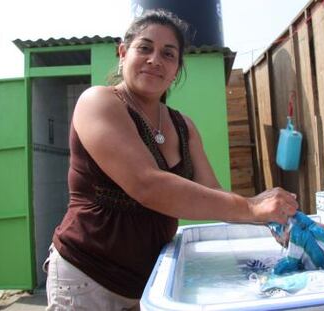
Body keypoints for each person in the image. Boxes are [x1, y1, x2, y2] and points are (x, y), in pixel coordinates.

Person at [43, 9, 298, 311]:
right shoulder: (99, 102)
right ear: (123, 53)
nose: (155, 60)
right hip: (87, 278)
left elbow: (215, 194)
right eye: (145, 48)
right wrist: (252, 207)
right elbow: (147, 184)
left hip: (149, 281)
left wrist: (271, 221)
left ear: (176, 68)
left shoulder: (183, 126)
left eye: (168, 54)